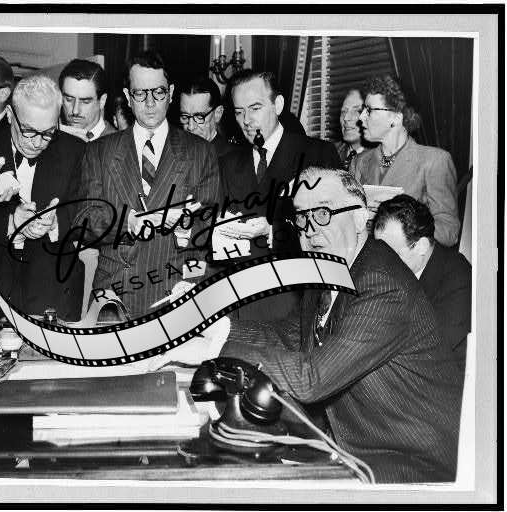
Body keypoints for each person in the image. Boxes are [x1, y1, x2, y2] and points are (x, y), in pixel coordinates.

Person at [167, 166, 464, 483]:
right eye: (301, 217)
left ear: (360, 217)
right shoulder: (330, 268)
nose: (309, 230)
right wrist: (215, 326)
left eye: (323, 213)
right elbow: (289, 336)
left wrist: (211, 351)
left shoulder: (382, 283)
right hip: (356, 445)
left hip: (413, 461)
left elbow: (312, 379)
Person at [75, 50, 220, 318]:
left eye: (159, 92)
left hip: (175, 295)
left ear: (171, 93)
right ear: (128, 97)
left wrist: (186, 227)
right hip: (113, 298)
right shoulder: (99, 151)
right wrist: (127, 222)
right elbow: (83, 219)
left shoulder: (201, 152)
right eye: (140, 93)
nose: (150, 103)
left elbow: (209, 226)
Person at [0, 74, 86, 321]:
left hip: (52, 293)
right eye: (28, 131)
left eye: (48, 133)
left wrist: (55, 223)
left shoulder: (75, 150)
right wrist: (11, 221)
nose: (37, 143)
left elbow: (85, 213)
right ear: (9, 115)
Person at [217, 69, 341, 320]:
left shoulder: (317, 154)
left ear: (279, 105)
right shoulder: (227, 164)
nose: (247, 120)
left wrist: (273, 230)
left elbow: (335, 230)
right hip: (242, 305)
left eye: (255, 108)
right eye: (239, 112)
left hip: (298, 303)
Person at [352, 75, 460, 247]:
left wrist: (404, 227)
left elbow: (449, 232)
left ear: (396, 118)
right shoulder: (360, 162)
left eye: (369, 110)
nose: (361, 117)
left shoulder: (434, 161)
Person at [373, 194, 471, 370]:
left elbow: (429, 351)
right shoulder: (399, 267)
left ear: (422, 246)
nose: (382, 264)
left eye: (391, 254)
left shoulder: (459, 279)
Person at [58, 58, 116, 142]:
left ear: (102, 101)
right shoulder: (50, 140)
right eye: (69, 99)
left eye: (85, 102)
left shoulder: (118, 145)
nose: (75, 111)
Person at [178, 75, 235, 159]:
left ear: (218, 114)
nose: (190, 127)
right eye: (185, 117)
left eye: (199, 117)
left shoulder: (233, 159)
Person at [334, 89, 367, 170]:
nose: (346, 118)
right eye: (344, 111)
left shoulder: (383, 158)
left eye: (356, 111)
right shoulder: (330, 152)